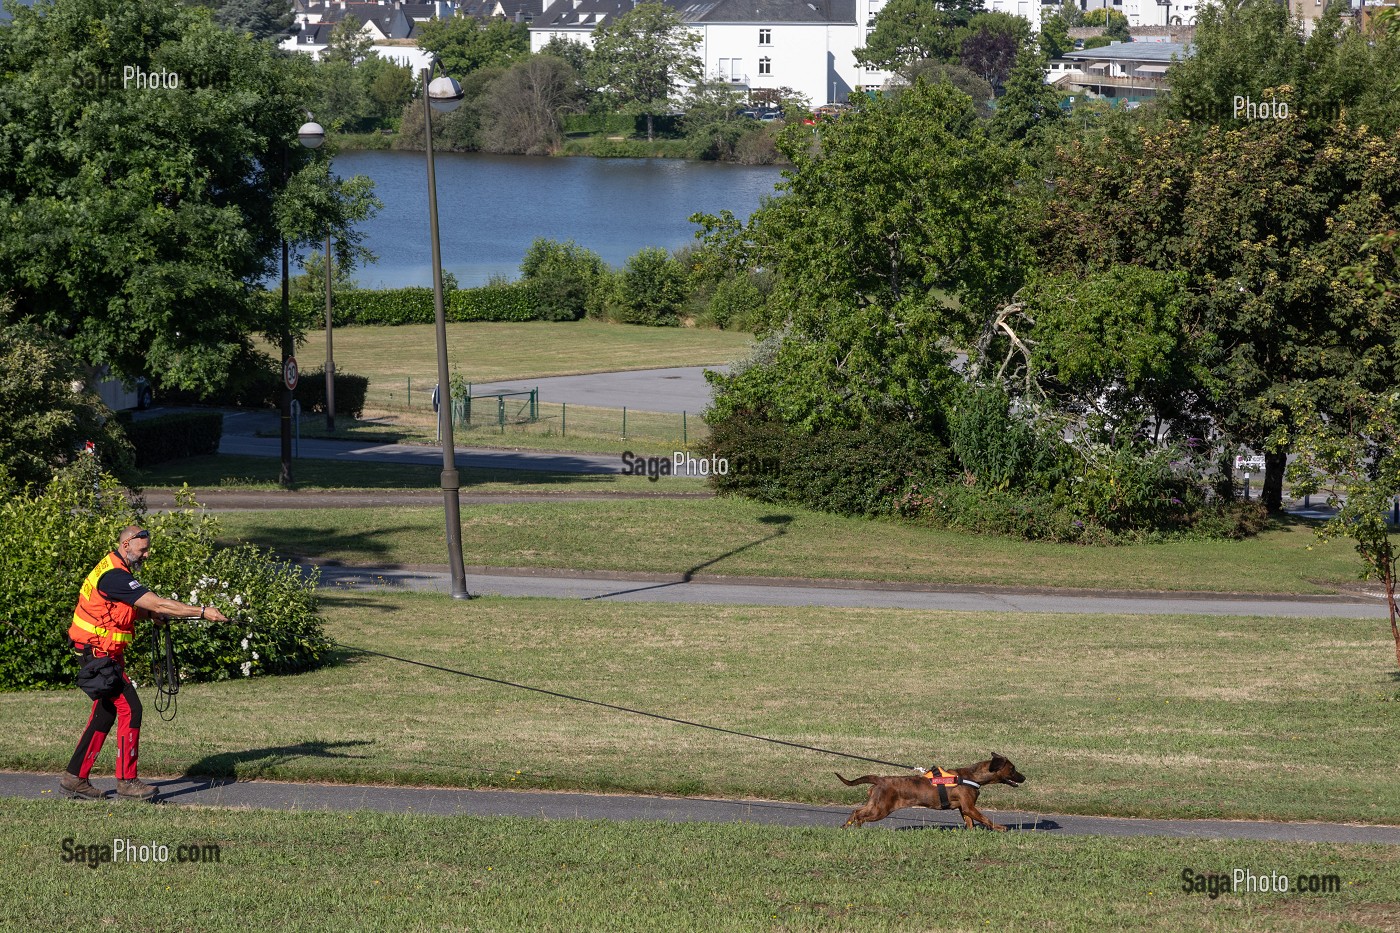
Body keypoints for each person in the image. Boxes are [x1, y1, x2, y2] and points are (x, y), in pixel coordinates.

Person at [61, 525, 229, 801]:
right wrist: (201, 612)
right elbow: (159, 604)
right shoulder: (115, 575)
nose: (147, 555)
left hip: (99, 652)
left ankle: (74, 778)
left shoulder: (114, 567)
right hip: (98, 655)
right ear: (126, 544)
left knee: (105, 712)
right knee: (131, 708)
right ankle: (127, 782)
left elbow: (116, 608)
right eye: (143, 550)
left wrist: (147, 616)